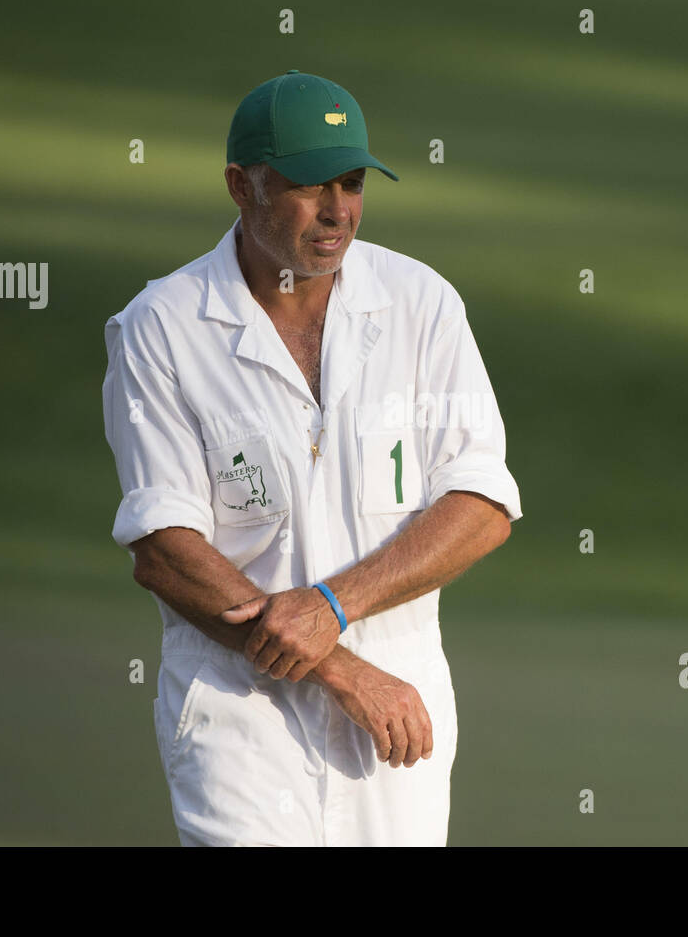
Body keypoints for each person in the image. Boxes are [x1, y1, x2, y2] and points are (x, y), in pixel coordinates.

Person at [100, 70, 523, 846]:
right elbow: (164, 549)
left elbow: (483, 505)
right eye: (307, 186)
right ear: (241, 185)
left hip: (399, 722)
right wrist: (339, 665)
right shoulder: (161, 327)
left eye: (353, 183)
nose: (338, 213)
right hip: (239, 716)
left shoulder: (422, 303)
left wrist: (333, 606)